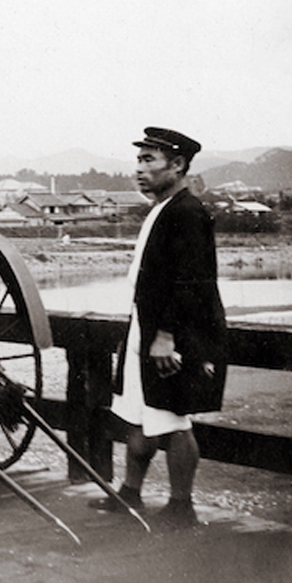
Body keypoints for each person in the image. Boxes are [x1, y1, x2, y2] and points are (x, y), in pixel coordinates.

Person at [88, 127, 228, 528]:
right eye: (138, 160)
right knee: (138, 413)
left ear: (178, 164)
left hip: (174, 337)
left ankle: (182, 506)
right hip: (144, 330)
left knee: (173, 420)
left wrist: (166, 337)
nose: (139, 169)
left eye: (149, 160)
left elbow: (191, 282)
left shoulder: (188, 212)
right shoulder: (163, 209)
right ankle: (130, 494)